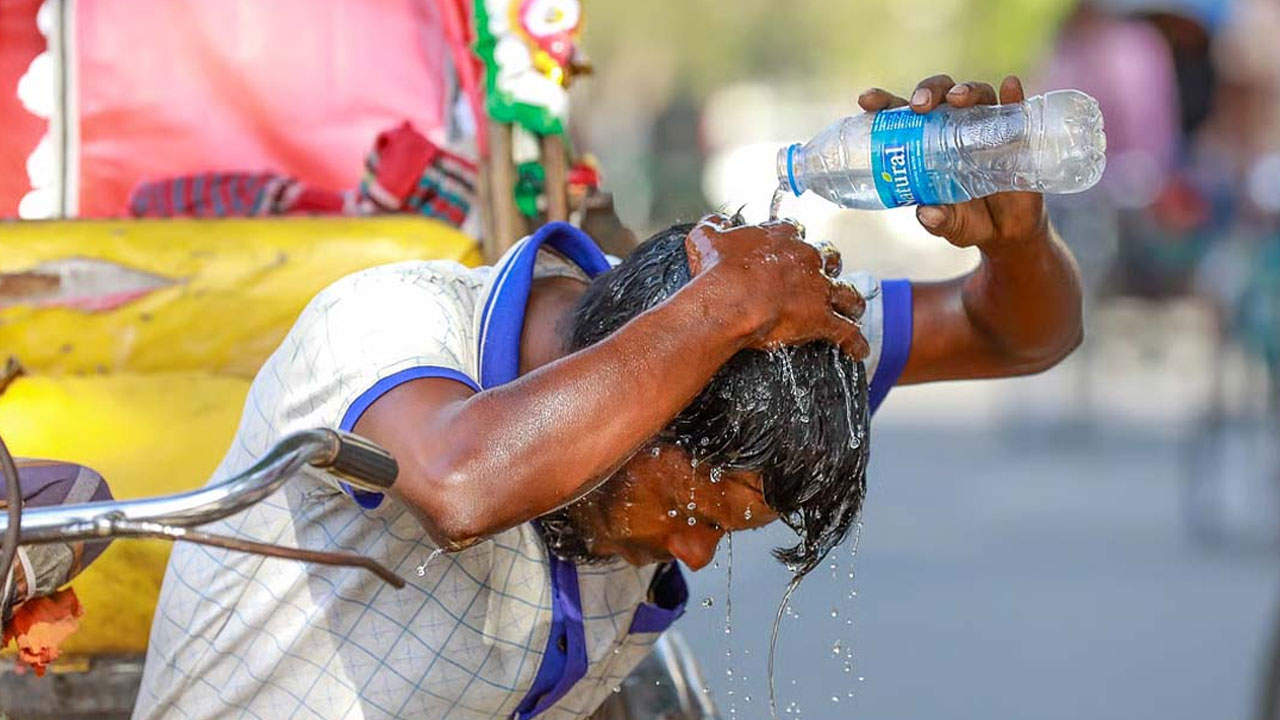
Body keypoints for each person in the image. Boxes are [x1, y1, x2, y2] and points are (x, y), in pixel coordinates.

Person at [133, 75, 1082, 720]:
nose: (696, 554)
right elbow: (462, 485)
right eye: (688, 510)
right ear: (638, 398)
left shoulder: (767, 347)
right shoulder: (386, 326)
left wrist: (1014, 241)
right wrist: (721, 307)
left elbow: (1021, 334)